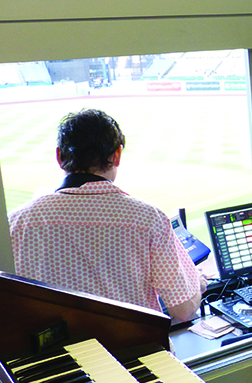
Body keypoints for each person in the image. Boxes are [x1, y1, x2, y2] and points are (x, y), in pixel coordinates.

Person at [8, 108, 205, 322]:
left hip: (54, 353)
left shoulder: (16, 222)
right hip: (135, 349)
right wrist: (199, 286)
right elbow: (183, 310)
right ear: (117, 155)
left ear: (59, 156)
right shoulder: (149, 219)